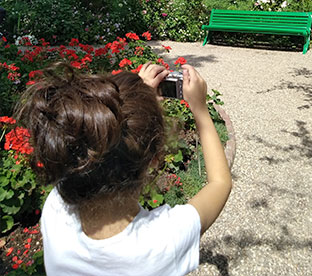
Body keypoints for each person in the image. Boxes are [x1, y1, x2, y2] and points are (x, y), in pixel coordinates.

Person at [15, 61, 232, 276]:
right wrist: (201, 110)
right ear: (156, 158)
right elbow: (220, 183)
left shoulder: (57, 207)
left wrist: (140, 97)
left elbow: (92, 137)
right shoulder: (162, 242)